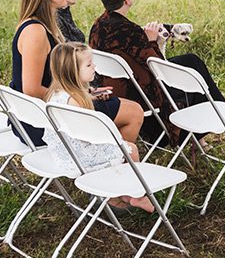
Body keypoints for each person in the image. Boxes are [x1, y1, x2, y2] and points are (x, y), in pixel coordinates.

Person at [88, 0, 225, 145]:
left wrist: (146, 36)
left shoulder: (98, 25)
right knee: (192, 69)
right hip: (142, 94)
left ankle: (217, 110)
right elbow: (157, 67)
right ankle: (218, 113)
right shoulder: (130, 31)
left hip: (117, 88)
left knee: (189, 61)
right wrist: (153, 40)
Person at [44, 42, 151, 211]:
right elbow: (95, 135)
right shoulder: (77, 102)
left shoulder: (57, 94)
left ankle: (119, 192)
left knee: (122, 146)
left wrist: (89, 95)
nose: (94, 66)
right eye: (89, 64)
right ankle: (135, 194)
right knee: (130, 149)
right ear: (73, 71)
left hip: (64, 153)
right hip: (81, 156)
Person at [10, 0, 70, 145]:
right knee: (132, 113)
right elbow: (32, 89)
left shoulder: (45, 24)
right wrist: (72, 99)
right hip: (37, 122)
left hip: (48, 109)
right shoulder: (35, 30)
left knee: (123, 110)